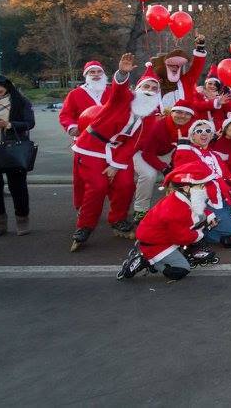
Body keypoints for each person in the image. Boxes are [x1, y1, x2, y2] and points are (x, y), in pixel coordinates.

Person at [70, 55, 161, 251]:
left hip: (119, 152)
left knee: (126, 184)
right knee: (98, 185)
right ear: (138, 88)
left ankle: (118, 219)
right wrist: (123, 73)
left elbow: (136, 142)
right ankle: (85, 226)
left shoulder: (151, 115)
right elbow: (119, 88)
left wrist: (116, 165)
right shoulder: (124, 98)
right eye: (147, 87)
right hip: (92, 147)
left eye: (154, 89)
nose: (150, 91)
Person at [118, 164, 219, 281]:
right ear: (186, 188)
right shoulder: (175, 210)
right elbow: (180, 237)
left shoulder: (181, 197)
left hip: (164, 235)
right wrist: (199, 235)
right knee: (181, 270)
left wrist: (209, 216)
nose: (204, 189)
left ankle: (189, 250)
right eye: (201, 186)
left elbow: (197, 208)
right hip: (156, 244)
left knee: (202, 219)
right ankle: (147, 260)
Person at [0, 75, 35, 238]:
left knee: (18, 187)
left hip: (13, 148)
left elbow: (29, 123)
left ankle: (22, 220)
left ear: (7, 89)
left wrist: (7, 124)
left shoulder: (20, 102)